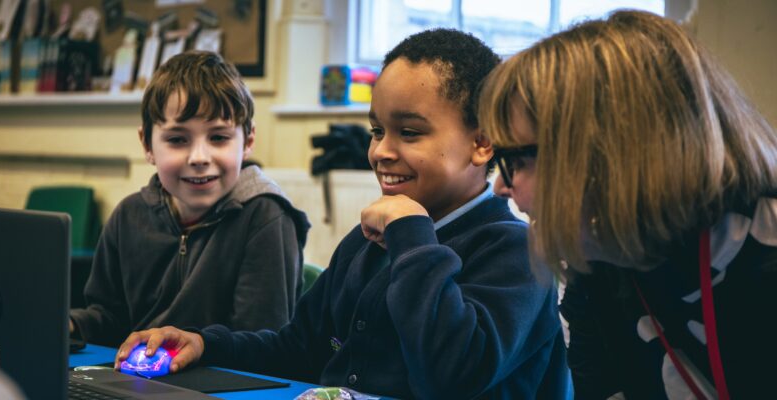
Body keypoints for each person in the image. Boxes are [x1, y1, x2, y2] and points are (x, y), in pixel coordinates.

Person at [115, 29, 568, 399]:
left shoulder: (516, 252)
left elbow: (453, 374)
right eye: (376, 130)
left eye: (409, 132)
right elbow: (299, 348)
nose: (381, 151)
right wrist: (206, 343)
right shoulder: (365, 243)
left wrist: (412, 233)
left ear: (482, 142)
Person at [479, 10, 777, 399]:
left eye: (516, 162)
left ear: (606, 154)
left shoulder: (763, 254)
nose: (501, 184)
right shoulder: (594, 263)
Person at [69, 51, 311, 347]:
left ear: (247, 141)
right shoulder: (128, 216)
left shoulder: (266, 218)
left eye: (219, 138)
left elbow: (262, 345)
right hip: (141, 382)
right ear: (147, 144)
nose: (199, 158)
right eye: (178, 139)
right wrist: (72, 324)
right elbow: (109, 319)